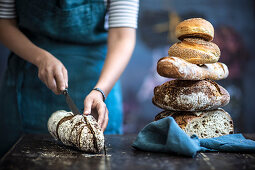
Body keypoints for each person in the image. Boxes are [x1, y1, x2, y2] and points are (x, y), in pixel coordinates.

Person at [0, 0, 139, 156]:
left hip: (99, 76)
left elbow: (123, 37)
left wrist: (101, 90)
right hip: (28, 80)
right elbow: (4, 23)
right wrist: (39, 58)